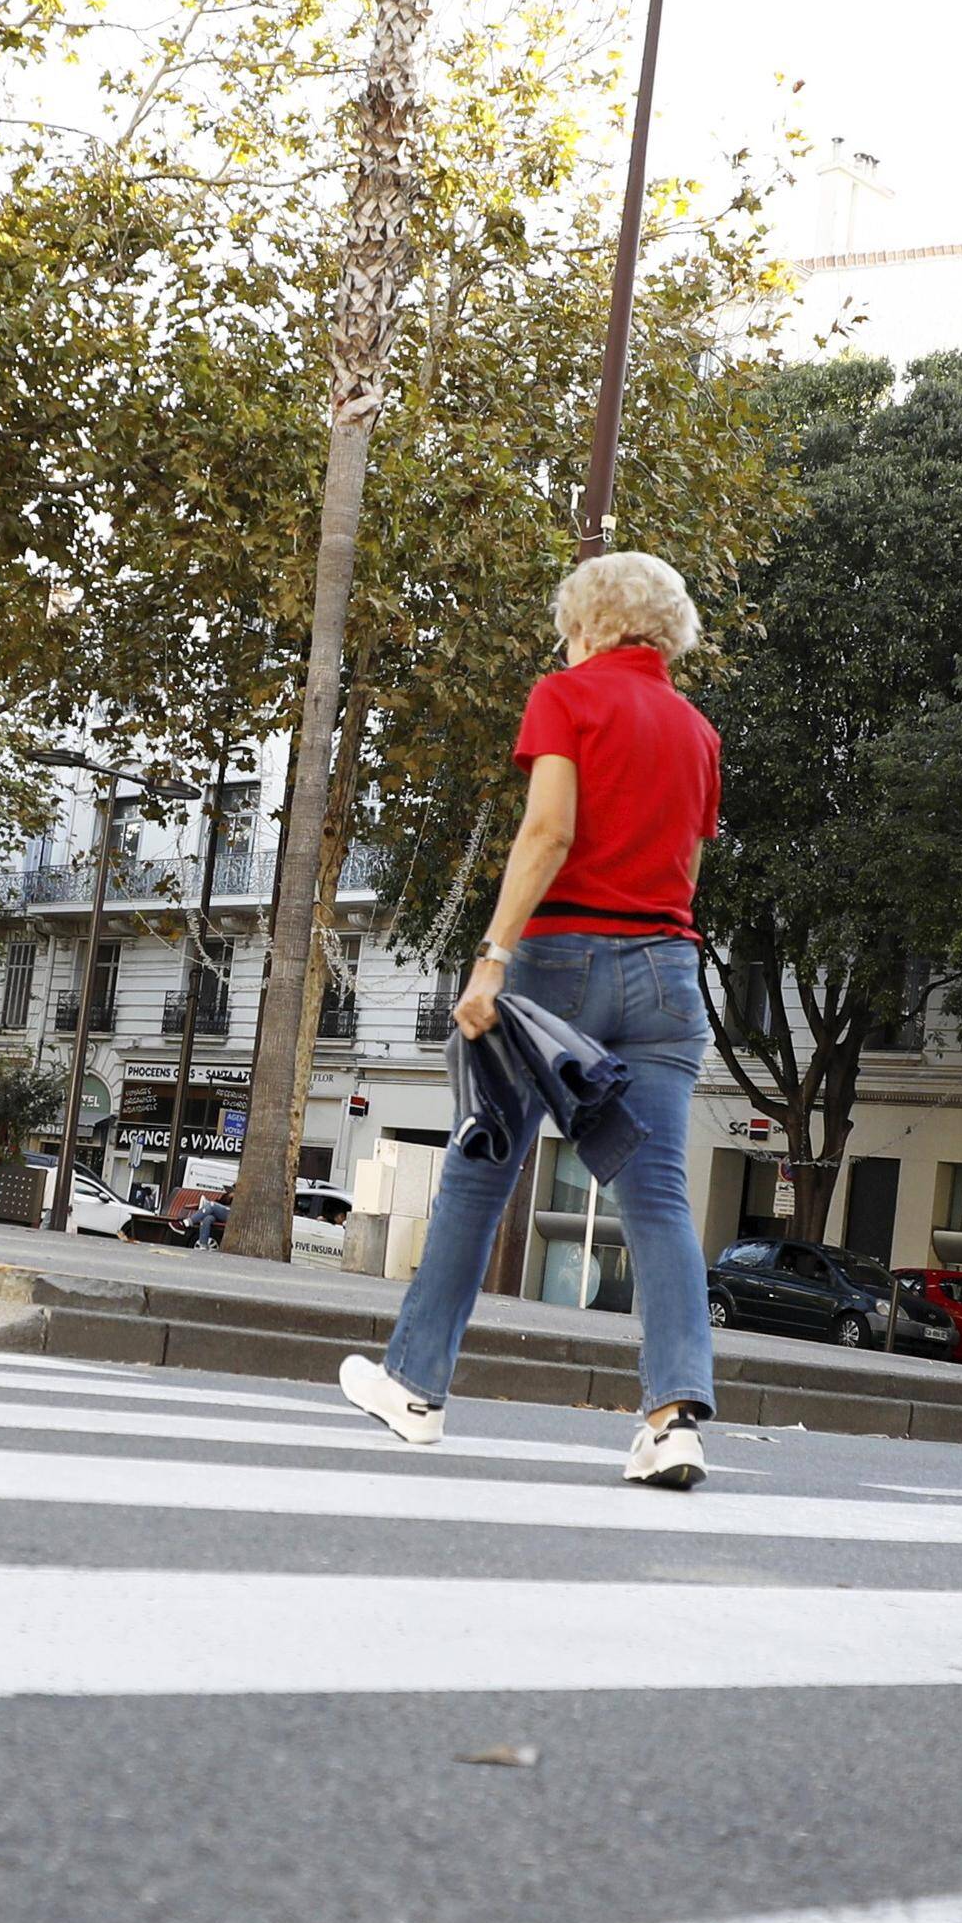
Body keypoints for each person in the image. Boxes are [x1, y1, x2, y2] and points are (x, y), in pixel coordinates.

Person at [334, 549, 723, 1491]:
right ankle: (673, 1421)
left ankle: (415, 1387)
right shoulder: (697, 731)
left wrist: (493, 954)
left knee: (481, 1171)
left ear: (590, 623)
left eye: (568, 626)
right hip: (669, 970)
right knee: (658, 1197)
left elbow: (548, 831)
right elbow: (688, 867)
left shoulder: (567, 696)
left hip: (557, 964)